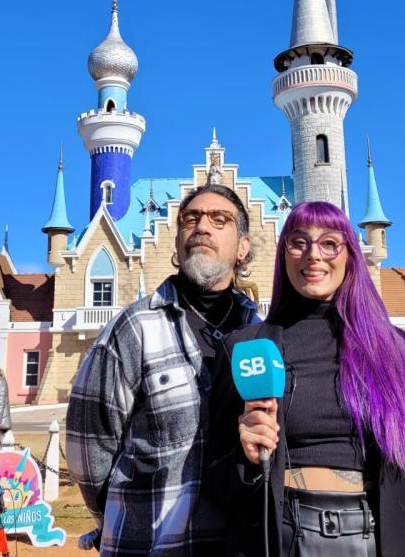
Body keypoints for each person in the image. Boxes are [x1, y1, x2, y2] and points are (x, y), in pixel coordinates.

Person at [208, 201, 405, 557]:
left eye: (330, 243)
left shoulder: (389, 348)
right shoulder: (246, 348)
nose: (313, 255)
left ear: (350, 255)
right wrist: (245, 455)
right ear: (283, 254)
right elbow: (213, 479)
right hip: (279, 537)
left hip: (379, 537)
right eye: (298, 241)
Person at [67, 184, 259, 555]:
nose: (202, 226)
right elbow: (87, 450)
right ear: (176, 241)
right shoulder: (133, 328)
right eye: (191, 218)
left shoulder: (260, 333)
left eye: (219, 219)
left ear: (243, 247)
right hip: (151, 546)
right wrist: (127, 517)